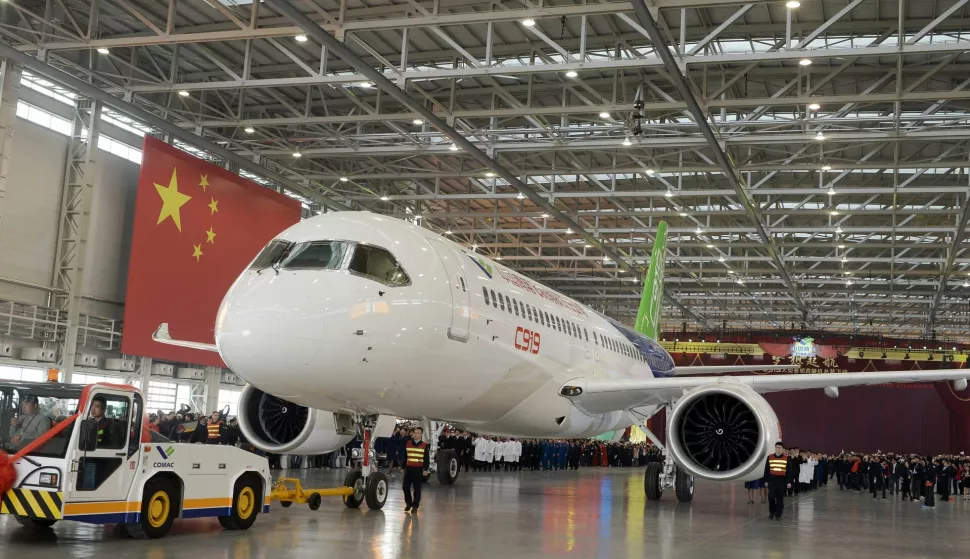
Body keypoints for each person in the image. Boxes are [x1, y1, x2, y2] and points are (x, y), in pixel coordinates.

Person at [402, 426, 429, 513]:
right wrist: (403, 467)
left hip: (418, 469)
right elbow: (405, 456)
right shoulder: (408, 443)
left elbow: (426, 459)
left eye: (418, 433)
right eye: (415, 432)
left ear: (421, 435)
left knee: (417, 488)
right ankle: (408, 503)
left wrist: (425, 469)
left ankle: (415, 506)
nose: (415, 434)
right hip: (409, 469)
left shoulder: (424, 445)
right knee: (405, 487)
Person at [764, 441, 792, 521]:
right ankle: (772, 512)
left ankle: (778, 514)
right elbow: (766, 470)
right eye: (776, 447)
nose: (778, 449)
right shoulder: (770, 457)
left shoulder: (786, 458)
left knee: (780, 499)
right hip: (772, 481)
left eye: (779, 448)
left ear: (782, 449)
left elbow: (789, 471)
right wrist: (766, 480)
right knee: (771, 498)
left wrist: (788, 482)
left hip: (781, 482)